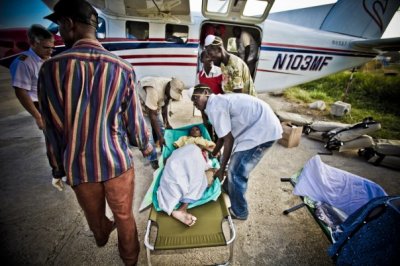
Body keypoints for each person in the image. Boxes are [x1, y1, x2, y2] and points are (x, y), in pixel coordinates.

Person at [39, 1, 153, 265]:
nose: (59, 33)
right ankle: (130, 259)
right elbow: (135, 125)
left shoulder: (51, 69)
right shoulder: (123, 68)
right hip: (117, 163)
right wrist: (149, 150)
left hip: (79, 167)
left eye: (59, 26)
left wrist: (57, 168)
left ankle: (102, 234)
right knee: (125, 217)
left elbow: (52, 129)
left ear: (68, 24)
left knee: (96, 224)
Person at [190, 84, 283, 220]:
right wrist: (213, 154)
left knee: (236, 171)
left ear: (206, 92)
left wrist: (222, 169)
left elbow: (228, 140)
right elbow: (222, 137)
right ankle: (229, 188)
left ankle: (240, 212)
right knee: (233, 164)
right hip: (259, 126)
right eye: (192, 101)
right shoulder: (214, 104)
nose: (195, 103)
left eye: (195, 98)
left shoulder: (215, 106)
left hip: (263, 130)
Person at [9, 24, 54, 130]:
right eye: (46, 48)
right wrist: (38, 117)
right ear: (33, 44)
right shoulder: (23, 62)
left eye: (52, 48)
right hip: (39, 105)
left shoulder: (47, 58)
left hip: (51, 103)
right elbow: (21, 91)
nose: (50, 51)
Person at [137, 76, 186, 169]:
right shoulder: (154, 90)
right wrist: (160, 137)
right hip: (141, 105)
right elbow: (152, 116)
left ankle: (165, 151)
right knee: (148, 134)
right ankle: (152, 159)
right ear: (168, 88)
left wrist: (167, 123)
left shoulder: (171, 86)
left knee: (163, 129)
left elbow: (164, 108)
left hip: (153, 106)